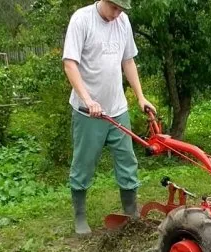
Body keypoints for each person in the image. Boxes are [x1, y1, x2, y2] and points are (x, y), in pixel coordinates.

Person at [62, 0, 156, 235]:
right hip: (88, 113)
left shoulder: (122, 21)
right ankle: (80, 217)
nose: (117, 14)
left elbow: (128, 60)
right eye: (114, 8)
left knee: (128, 164)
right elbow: (70, 64)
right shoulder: (82, 20)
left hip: (117, 109)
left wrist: (140, 97)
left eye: (121, 9)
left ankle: (130, 213)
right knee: (83, 164)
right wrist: (88, 100)